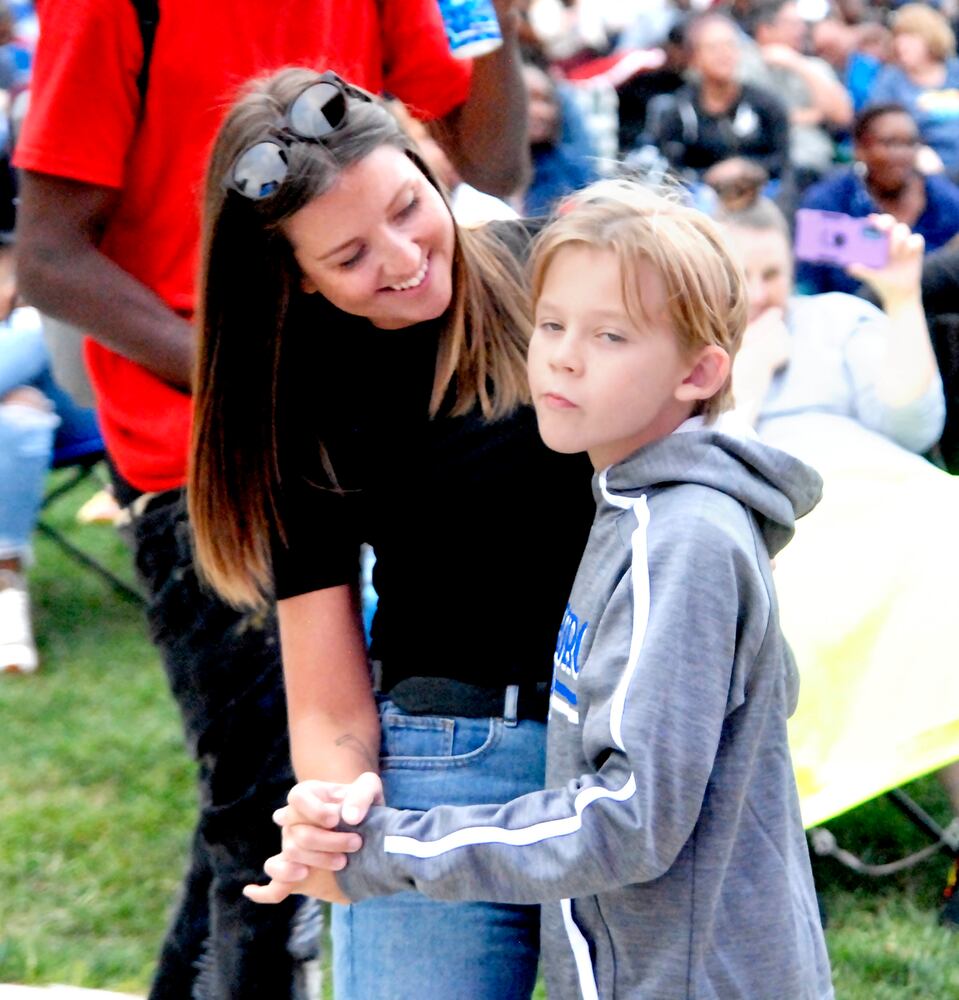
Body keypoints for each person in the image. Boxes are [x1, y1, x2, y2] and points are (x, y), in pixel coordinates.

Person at [12, 3, 532, 998]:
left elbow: (487, 167)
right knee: (269, 811)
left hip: (376, 412)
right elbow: (50, 259)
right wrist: (263, 390)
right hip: (209, 446)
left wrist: (496, 30)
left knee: (266, 809)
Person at [241, 180, 835, 1000]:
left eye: (610, 335)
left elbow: (632, 816)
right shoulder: (631, 515)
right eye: (549, 325)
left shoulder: (680, 537)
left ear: (699, 371)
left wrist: (387, 850)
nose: (561, 354)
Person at [188, 67, 595, 999]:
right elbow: (327, 698)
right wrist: (336, 796)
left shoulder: (564, 276)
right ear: (295, 277)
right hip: (446, 759)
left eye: (408, 209)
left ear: (428, 162)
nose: (403, 258)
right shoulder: (302, 398)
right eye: (348, 257)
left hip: (628, 746)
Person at [720, 198, 959, 927]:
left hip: (896, 498)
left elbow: (913, 425)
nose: (762, 294)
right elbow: (710, 466)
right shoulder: (680, 349)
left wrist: (899, 300)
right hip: (788, 524)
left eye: (773, 274)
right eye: (742, 277)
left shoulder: (829, 320)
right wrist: (748, 379)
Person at [797, 103, 959, 297]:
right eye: (889, 143)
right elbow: (808, 282)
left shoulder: (943, 199)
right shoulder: (826, 202)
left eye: (910, 143)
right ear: (860, 149)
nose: (901, 154)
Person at [646, 12, 791, 185]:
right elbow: (670, 170)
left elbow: (783, 162)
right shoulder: (679, 111)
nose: (724, 54)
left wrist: (744, 169)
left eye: (730, 45)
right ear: (694, 57)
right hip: (698, 198)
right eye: (713, 47)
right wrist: (711, 176)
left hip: (759, 194)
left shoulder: (766, 104)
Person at [867, 3, 959, 181]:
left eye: (910, 37)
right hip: (923, 165)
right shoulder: (890, 80)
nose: (902, 44)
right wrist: (915, 151)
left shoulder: (955, 71)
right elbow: (878, 128)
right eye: (898, 37)